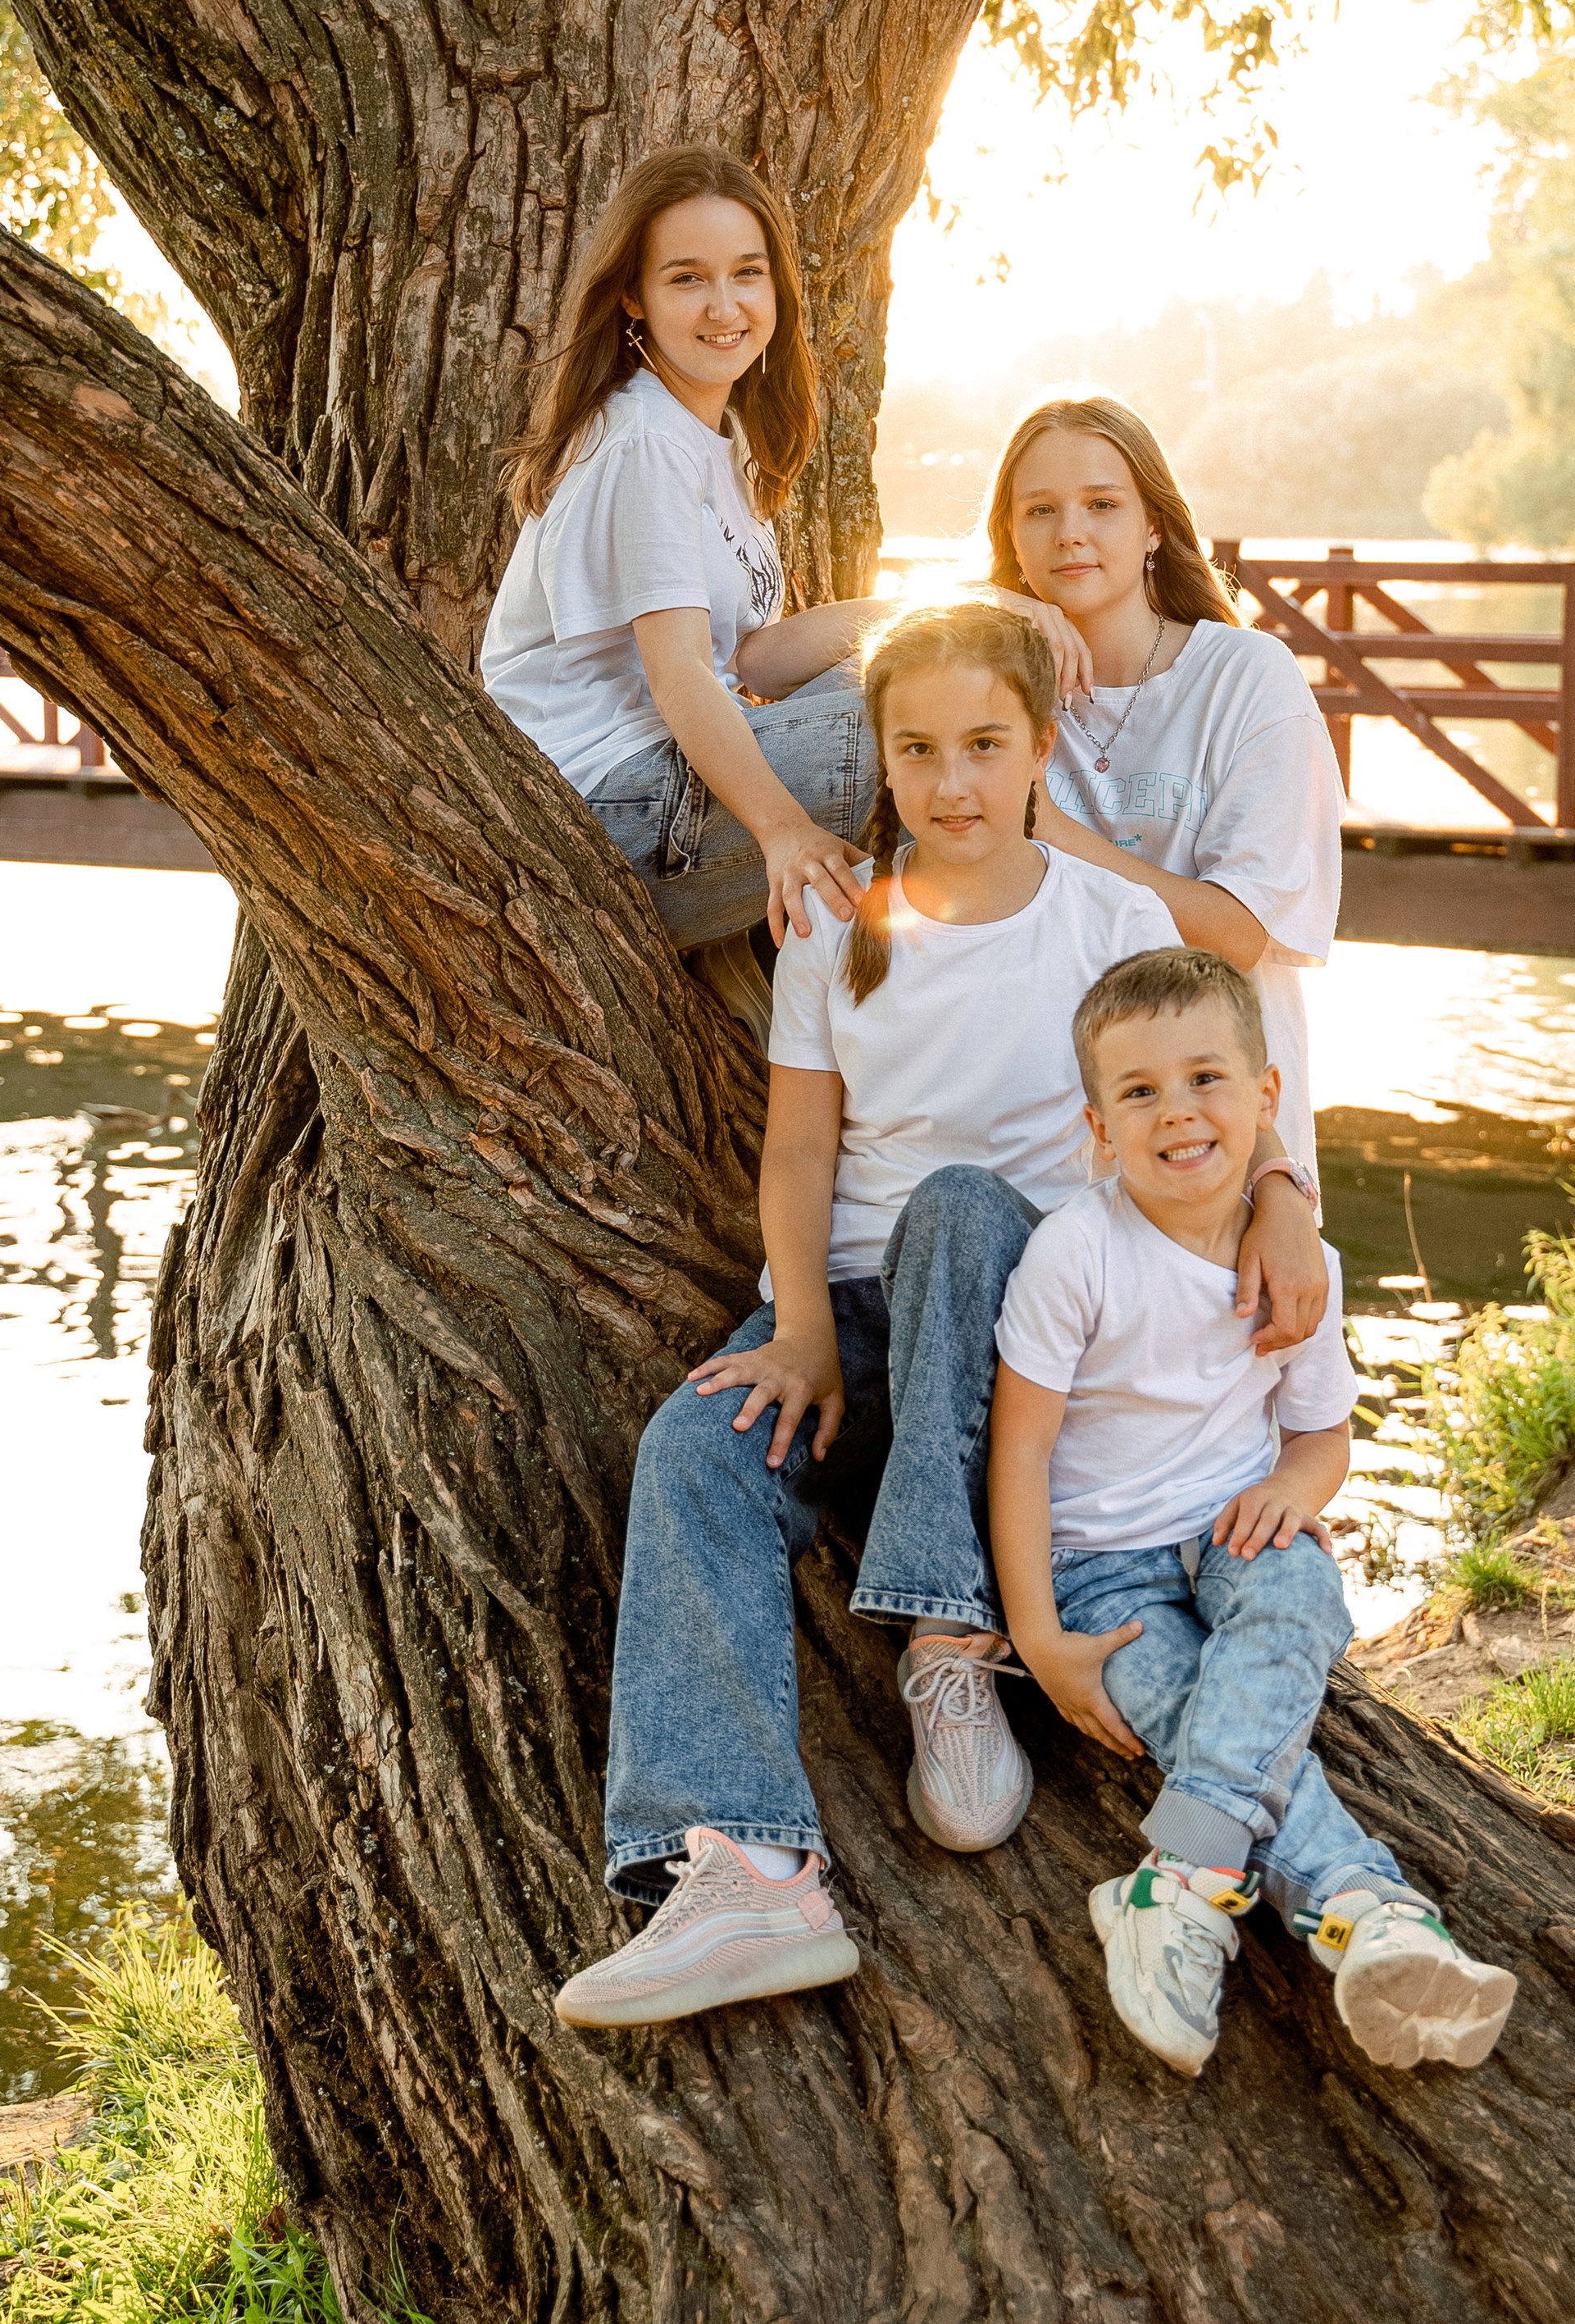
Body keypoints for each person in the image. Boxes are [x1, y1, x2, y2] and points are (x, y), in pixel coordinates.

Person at [555, 602, 1180, 2030]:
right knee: (694, 1451)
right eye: (918, 750)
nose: (952, 782)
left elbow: (1186, 1104)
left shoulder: (1111, 920)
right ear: (881, 762)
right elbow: (800, 1153)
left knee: (961, 1209)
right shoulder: (841, 930)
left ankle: (951, 1651)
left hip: (1031, 1331)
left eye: (984, 745)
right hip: (855, 1319)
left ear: (1038, 747)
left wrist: (1271, 1212)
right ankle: (744, 1868)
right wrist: (800, 1333)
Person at [990, 946, 1517, 2080]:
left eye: (1206, 1078)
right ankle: (1372, 1913)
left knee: (1299, 1594)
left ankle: (1176, 1881)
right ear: (1098, 1123)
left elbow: (1323, 1434)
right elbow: (1021, 1447)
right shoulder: (1074, 1252)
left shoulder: (1299, 1261)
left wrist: (1292, 1489)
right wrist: (1038, 1634)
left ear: (1266, 1095)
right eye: (1140, 1092)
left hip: (1234, 1523)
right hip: (1102, 1567)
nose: (1178, 1112)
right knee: (1195, 1706)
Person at [481, 145, 889, 995]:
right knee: (935, 714)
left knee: (938, 668)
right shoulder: (644, 443)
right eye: (686, 279)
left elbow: (741, 662)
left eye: (746, 273)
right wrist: (781, 832)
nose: (724, 305)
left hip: (652, 783)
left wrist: (930, 617)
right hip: (601, 815)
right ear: (633, 296)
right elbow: (678, 679)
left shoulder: (709, 438)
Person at [986, 395, 1341, 1349]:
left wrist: (1050, 830)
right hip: (1058, 1139)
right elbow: (770, 656)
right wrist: (987, 612)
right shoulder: (988, 684)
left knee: (1227, 1435)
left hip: (1215, 1135)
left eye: (1103, 504)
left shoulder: (1246, 678)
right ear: (1010, 538)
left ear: (1152, 525)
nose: (1071, 534)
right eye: (1040, 511)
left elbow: (1234, 931)